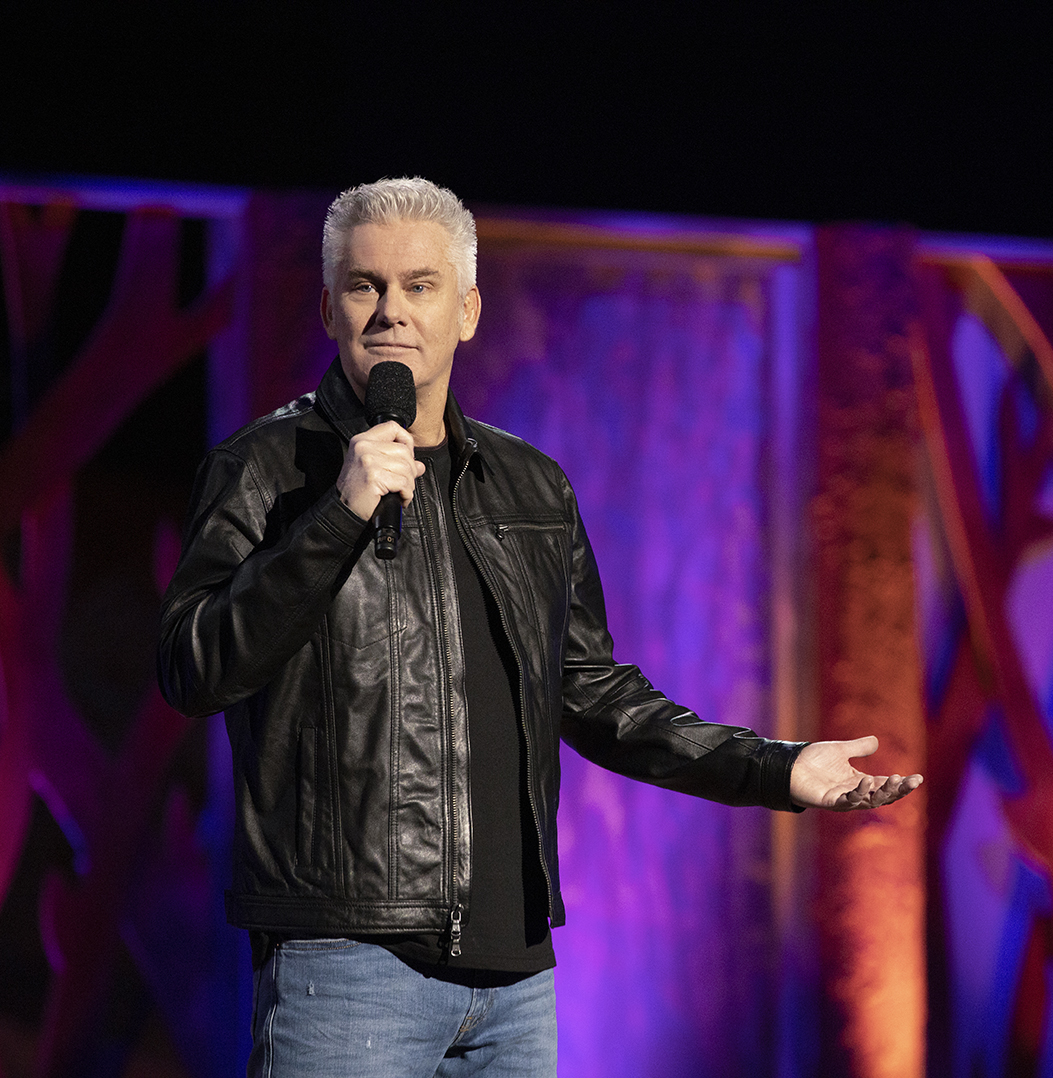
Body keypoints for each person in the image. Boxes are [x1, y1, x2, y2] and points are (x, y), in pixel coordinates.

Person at [157, 176, 921, 1077]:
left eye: (419, 285)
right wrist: (337, 516)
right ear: (328, 307)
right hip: (347, 964)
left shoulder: (530, 488)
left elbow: (594, 692)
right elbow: (193, 665)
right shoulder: (266, 469)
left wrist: (775, 767)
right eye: (363, 287)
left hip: (513, 978)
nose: (389, 312)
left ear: (468, 309)